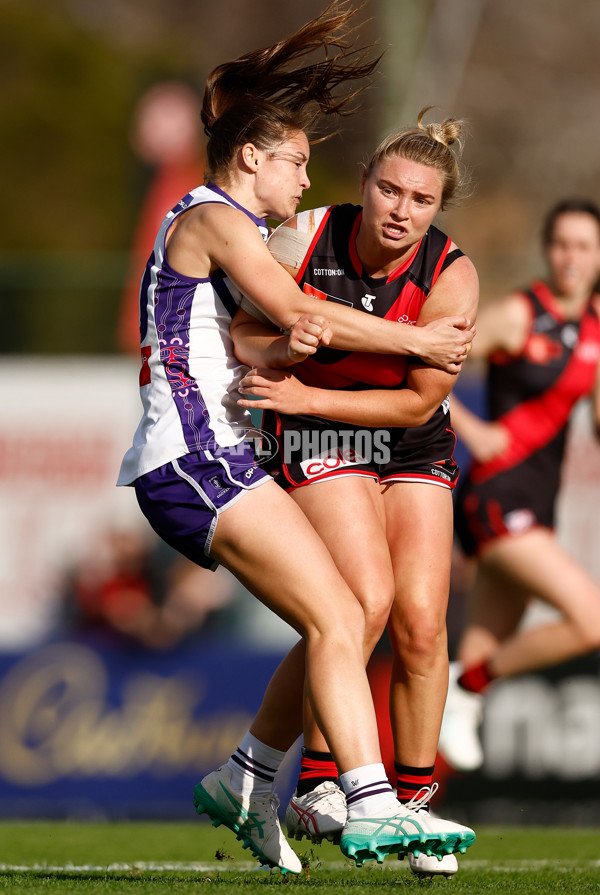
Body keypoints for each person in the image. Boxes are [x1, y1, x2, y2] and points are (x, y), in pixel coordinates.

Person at [117, 1, 475, 876]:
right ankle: (365, 796)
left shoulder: (232, 227)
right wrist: (419, 341)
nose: (305, 184)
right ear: (250, 157)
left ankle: (250, 776)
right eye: (296, 164)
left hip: (221, 456)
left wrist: (288, 347)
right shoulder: (214, 217)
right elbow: (299, 308)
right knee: (338, 613)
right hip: (193, 457)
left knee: (351, 613)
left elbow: (265, 332)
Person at [229, 108, 479, 878]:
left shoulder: (452, 274)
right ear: (363, 184)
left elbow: (414, 404)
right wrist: (284, 349)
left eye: (422, 200)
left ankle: (411, 799)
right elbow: (241, 336)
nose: (402, 211)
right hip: (320, 440)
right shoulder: (302, 235)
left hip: (399, 436)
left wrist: (306, 396)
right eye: (390, 191)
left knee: (423, 625)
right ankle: (318, 780)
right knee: (360, 599)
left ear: (439, 209)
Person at [437, 198, 600, 773]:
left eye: (583, 246)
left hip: (539, 503)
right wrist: (474, 430)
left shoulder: (597, 331)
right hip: (497, 495)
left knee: (469, 676)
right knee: (590, 620)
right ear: (547, 249)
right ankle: (467, 683)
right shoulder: (518, 315)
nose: (571, 257)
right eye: (562, 244)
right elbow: (427, 362)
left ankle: (415, 791)